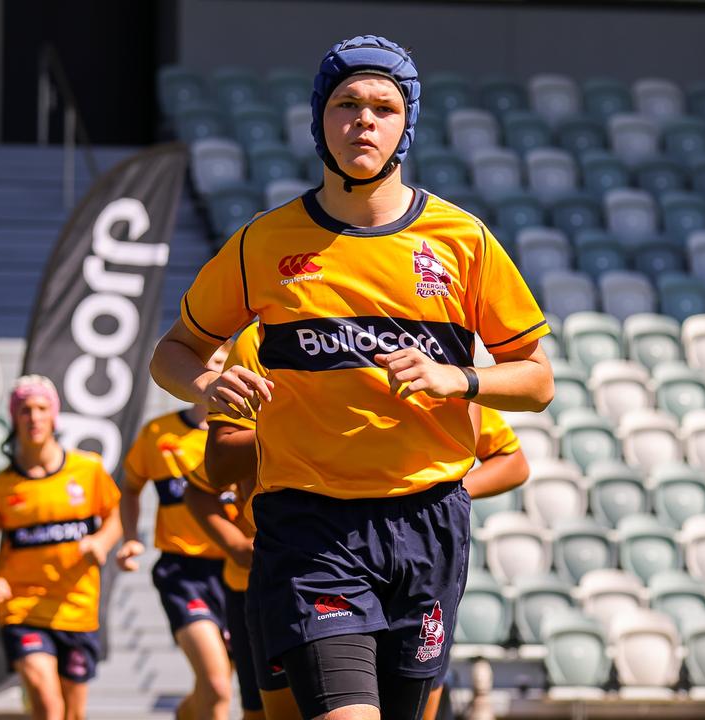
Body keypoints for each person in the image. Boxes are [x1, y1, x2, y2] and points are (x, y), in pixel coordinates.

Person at [149, 33, 553, 720]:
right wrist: (204, 385)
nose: (363, 120)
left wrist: (459, 379)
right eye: (346, 104)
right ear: (319, 121)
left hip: (429, 524)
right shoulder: (262, 242)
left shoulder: (463, 241)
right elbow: (175, 351)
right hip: (311, 527)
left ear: (406, 125)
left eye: (383, 107)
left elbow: (538, 382)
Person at [197, 324, 530, 720]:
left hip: (419, 557)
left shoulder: (430, 344)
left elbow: (507, 454)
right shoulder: (267, 335)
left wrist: (440, 493)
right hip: (303, 558)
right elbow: (215, 468)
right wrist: (313, 425)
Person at [0, 375, 122, 720]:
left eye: (40, 409)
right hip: (23, 609)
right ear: (14, 417)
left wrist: (101, 541)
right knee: (48, 704)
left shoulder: (88, 469)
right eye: (25, 410)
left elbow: (115, 516)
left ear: (54, 415)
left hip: (76, 608)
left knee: (73, 713)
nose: (33, 417)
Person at [185, 322, 301, 720]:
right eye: (214, 363)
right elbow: (204, 485)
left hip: (365, 557)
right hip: (249, 577)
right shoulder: (243, 416)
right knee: (251, 705)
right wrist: (235, 545)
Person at [116, 344, 236, 720]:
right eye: (207, 363)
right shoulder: (159, 433)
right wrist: (131, 537)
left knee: (213, 690)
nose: (214, 371)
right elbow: (130, 486)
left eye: (222, 363)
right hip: (183, 573)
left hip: (239, 573)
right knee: (217, 686)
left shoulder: (245, 434)